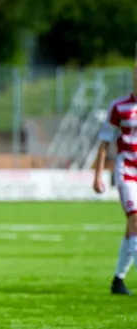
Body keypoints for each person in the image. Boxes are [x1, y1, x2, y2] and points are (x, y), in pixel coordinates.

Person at [93, 63, 137, 296]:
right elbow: (104, 142)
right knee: (135, 219)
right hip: (127, 172)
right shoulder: (119, 107)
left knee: (131, 229)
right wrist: (98, 174)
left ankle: (118, 280)